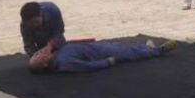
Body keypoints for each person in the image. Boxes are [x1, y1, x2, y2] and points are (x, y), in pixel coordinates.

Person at [28, 39, 178, 73]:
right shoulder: (63, 63)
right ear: (45, 64)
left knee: (126, 49)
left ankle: (147, 48)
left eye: (36, 53)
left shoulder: (56, 54)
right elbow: (86, 66)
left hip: (96, 47)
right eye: (38, 57)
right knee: (130, 54)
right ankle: (159, 50)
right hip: (102, 53)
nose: (39, 52)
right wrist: (107, 62)